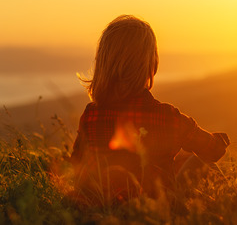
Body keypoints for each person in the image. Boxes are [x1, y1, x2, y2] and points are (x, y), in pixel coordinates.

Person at [70, 15, 229, 206]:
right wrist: (219, 140)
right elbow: (213, 151)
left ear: (103, 62)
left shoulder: (91, 115)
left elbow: (76, 167)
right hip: (157, 208)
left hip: (104, 208)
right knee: (202, 161)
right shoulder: (168, 117)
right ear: (152, 64)